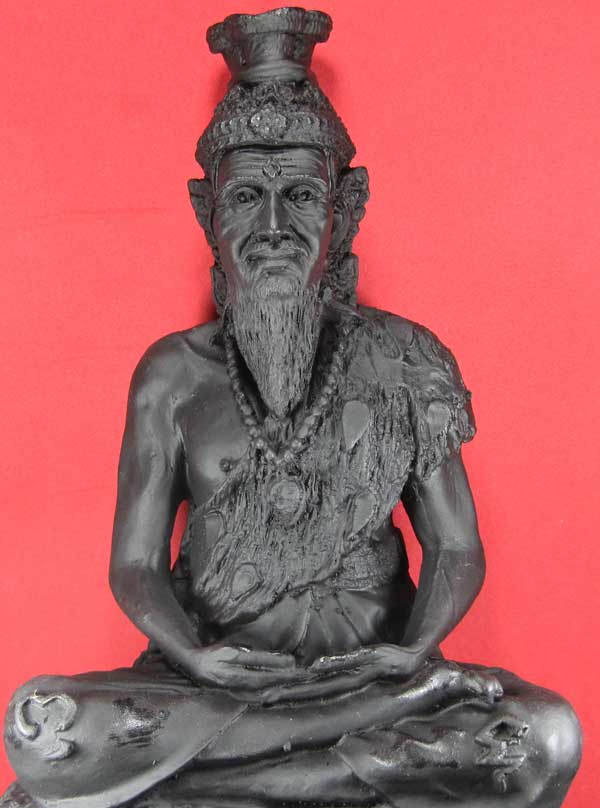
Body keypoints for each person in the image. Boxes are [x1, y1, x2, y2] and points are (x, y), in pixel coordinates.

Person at [2, 9, 581, 808]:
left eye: (302, 196)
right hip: (215, 689)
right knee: (42, 723)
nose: (274, 227)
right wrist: (196, 659)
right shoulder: (170, 376)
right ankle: (327, 772)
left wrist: (414, 652)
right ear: (207, 212)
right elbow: (134, 566)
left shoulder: (406, 360)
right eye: (247, 198)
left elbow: (456, 546)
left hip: (374, 677)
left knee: (547, 733)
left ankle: (225, 787)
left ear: (348, 207)